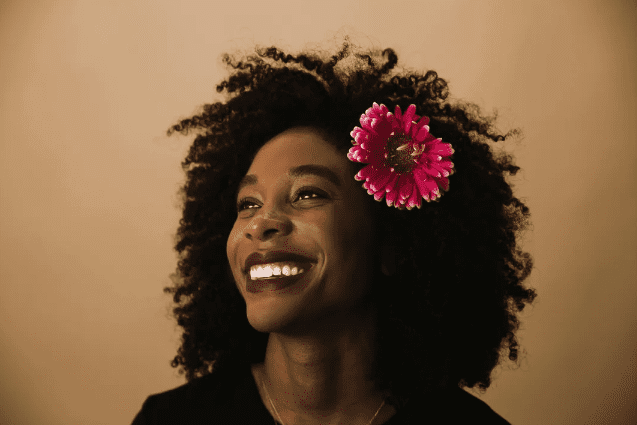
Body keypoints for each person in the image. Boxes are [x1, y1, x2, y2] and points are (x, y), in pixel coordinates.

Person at [131, 37, 537, 424]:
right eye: (248, 204)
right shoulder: (170, 421)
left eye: (307, 194)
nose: (260, 223)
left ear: (392, 242)